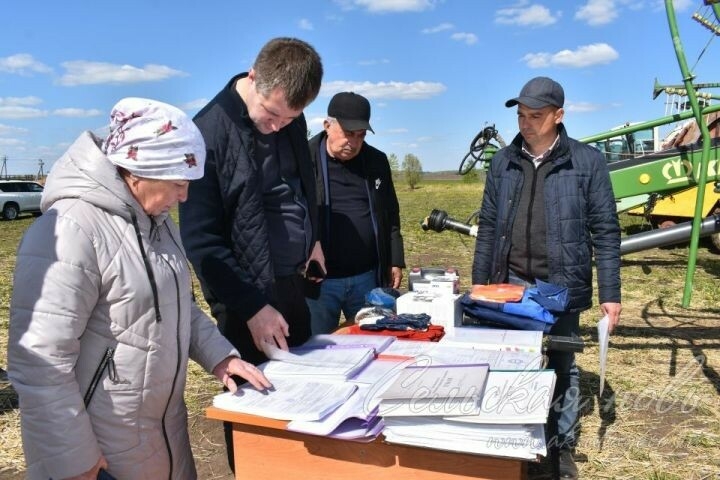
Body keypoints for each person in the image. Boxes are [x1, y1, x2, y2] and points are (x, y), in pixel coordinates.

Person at [7, 98, 271, 480]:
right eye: (179, 184)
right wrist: (73, 460)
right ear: (140, 171)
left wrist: (221, 357)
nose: (184, 198)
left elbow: (179, 305)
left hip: (161, 435)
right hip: (99, 451)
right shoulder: (71, 230)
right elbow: (39, 361)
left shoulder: (157, 221)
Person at [177, 37, 323, 467]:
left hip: (293, 286)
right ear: (253, 77)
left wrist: (311, 238)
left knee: (301, 409)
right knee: (256, 420)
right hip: (244, 302)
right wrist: (252, 307)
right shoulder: (206, 133)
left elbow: (301, 187)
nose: (279, 126)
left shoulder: (291, 120)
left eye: (292, 118)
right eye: (273, 114)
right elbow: (202, 244)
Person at [471, 76, 622, 479]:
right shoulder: (504, 162)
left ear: (559, 115)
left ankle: (561, 445)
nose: (526, 123)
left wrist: (611, 292)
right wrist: (479, 284)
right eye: (521, 115)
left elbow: (606, 230)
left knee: (561, 365)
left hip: (560, 286)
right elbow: (488, 226)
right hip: (511, 282)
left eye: (535, 116)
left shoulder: (586, 162)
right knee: (510, 362)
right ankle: (517, 440)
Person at [306, 92, 405, 334]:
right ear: (328, 125)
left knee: (368, 342)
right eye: (348, 133)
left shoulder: (376, 161)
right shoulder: (305, 159)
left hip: (366, 277)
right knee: (316, 348)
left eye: (360, 136)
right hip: (320, 281)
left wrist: (395, 259)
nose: (354, 142)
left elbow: (390, 213)